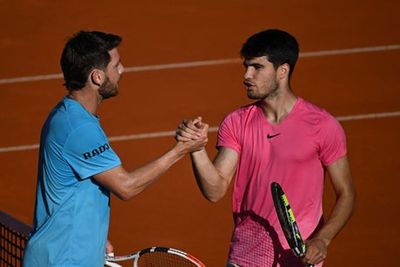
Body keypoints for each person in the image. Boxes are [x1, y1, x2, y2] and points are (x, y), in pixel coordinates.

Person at [23, 31, 207, 267]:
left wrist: (93, 238)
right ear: (97, 77)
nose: (122, 70)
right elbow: (126, 186)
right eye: (116, 66)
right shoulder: (79, 129)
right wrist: (180, 150)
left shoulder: (67, 114)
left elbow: (72, 187)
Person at [176, 29, 356, 266]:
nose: (246, 75)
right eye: (246, 66)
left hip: (298, 259)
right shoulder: (237, 122)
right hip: (245, 257)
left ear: (282, 70)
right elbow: (215, 190)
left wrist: (322, 240)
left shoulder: (322, 125)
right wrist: (197, 150)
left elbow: (347, 193)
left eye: (257, 67)